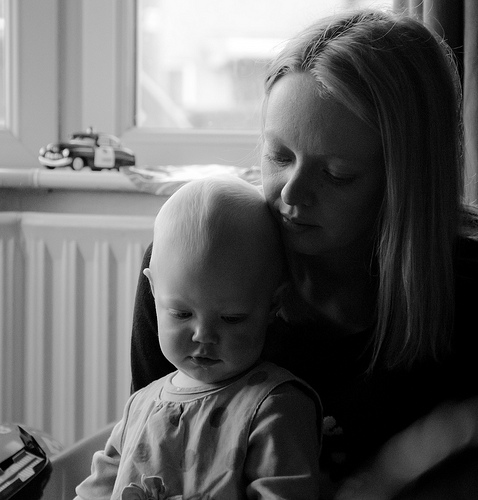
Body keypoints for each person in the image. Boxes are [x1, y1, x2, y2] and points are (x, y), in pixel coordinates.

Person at [130, 8, 478, 499]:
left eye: (336, 174)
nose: (291, 193)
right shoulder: (190, 267)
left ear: (403, 181)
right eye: (279, 156)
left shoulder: (467, 291)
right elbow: (149, 451)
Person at [75, 176, 322, 500]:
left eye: (231, 318)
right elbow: (95, 492)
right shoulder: (140, 405)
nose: (203, 335)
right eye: (181, 314)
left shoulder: (275, 408)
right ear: (153, 291)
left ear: (273, 305)